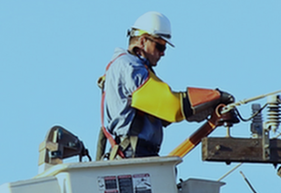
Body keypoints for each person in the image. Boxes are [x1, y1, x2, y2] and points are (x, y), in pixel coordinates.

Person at [97, 11, 234, 159]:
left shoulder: (132, 67)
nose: (163, 53)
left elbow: (163, 115)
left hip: (138, 153)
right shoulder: (130, 67)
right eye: (160, 46)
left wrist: (207, 107)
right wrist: (215, 96)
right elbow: (171, 106)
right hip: (133, 154)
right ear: (143, 41)